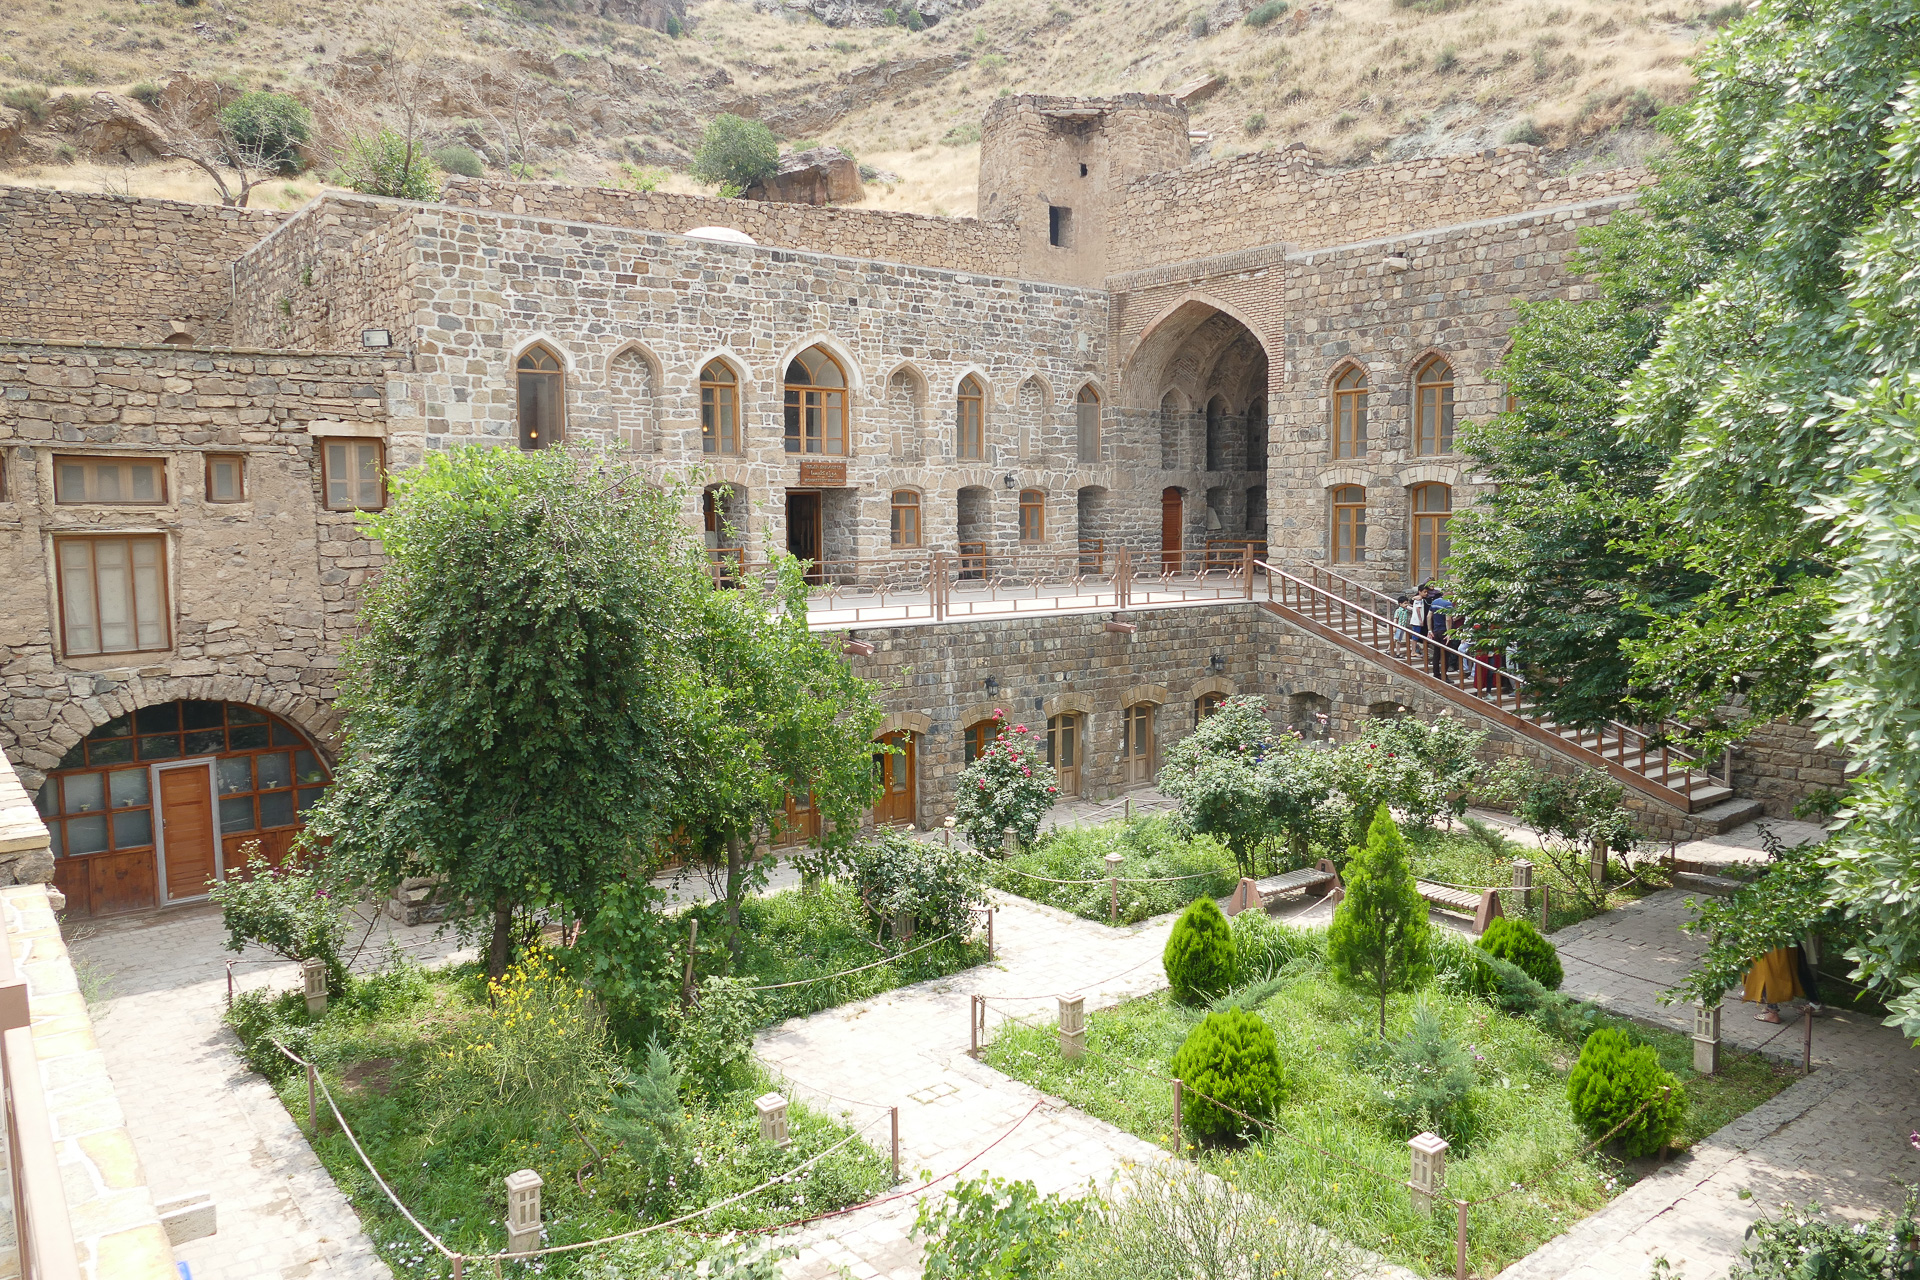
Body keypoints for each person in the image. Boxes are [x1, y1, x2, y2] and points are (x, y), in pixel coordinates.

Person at [1391, 594, 1412, 659]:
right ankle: (1389, 649)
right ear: (1400, 604)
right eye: (1405, 603)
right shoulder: (1398, 610)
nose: (1406, 605)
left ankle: (1398, 652)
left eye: (1407, 603)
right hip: (1398, 627)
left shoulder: (1405, 611)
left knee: (1399, 640)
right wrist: (1394, 626)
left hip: (1403, 627)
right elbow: (1395, 618)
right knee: (1395, 639)